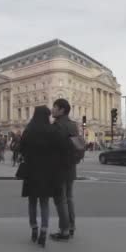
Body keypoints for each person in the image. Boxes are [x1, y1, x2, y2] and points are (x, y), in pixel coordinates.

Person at [19, 106, 64, 247]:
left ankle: (34, 228)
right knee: (44, 202)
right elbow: (59, 150)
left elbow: (21, 148)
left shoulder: (28, 130)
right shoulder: (52, 130)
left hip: (31, 170)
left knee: (32, 201)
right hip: (47, 171)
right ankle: (44, 231)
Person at [50, 98, 79, 241]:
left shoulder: (57, 126)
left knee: (60, 200)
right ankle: (71, 226)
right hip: (71, 166)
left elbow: (53, 149)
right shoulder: (73, 125)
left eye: (54, 107)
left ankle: (64, 230)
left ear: (61, 110)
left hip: (59, 168)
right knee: (69, 197)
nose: (52, 110)